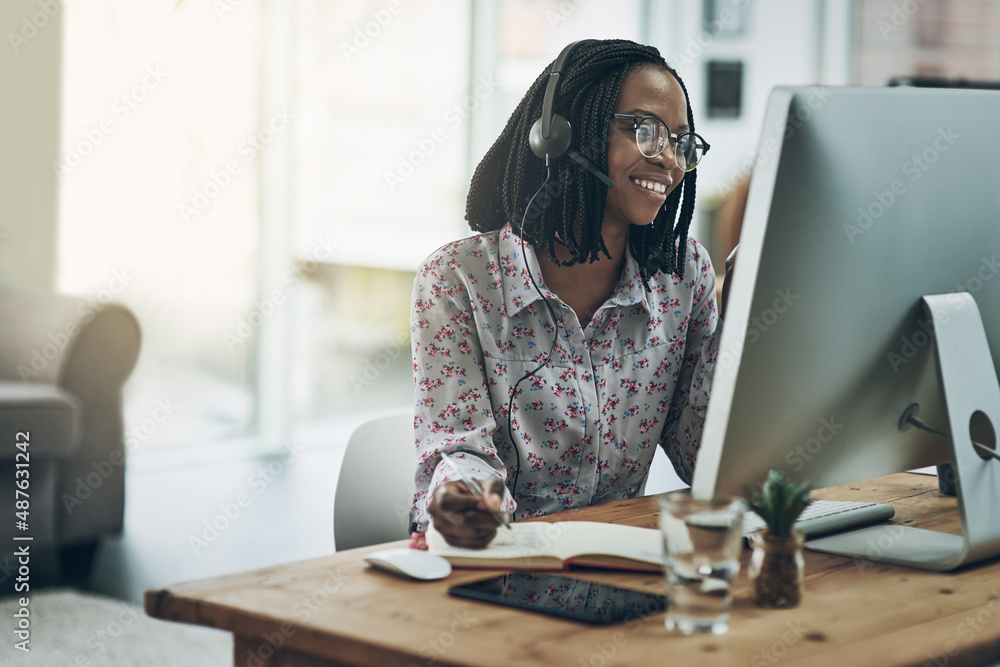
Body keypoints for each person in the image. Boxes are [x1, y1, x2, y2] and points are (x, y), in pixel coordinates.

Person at [409, 39, 730, 550]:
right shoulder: (459, 280)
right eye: (646, 130)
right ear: (559, 134)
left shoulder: (681, 275)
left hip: (628, 583)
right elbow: (457, 449)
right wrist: (468, 499)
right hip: (500, 584)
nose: (669, 159)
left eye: (682, 142)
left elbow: (703, 459)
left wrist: (741, 342)